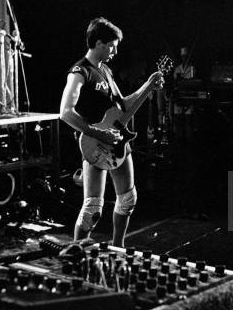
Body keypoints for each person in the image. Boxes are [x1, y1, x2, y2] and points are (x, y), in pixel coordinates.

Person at [59, 17, 164, 247]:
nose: (115, 51)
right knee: (92, 209)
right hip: (96, 145)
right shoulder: (80, 72)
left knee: (128, 200)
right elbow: (65, 112)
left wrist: (148, 86)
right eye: (112, 45)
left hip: (118, 143)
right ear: (98, 43)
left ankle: (118, 248)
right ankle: (77, 254)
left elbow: (122, 109)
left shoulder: (105, 70)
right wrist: (99, 134)